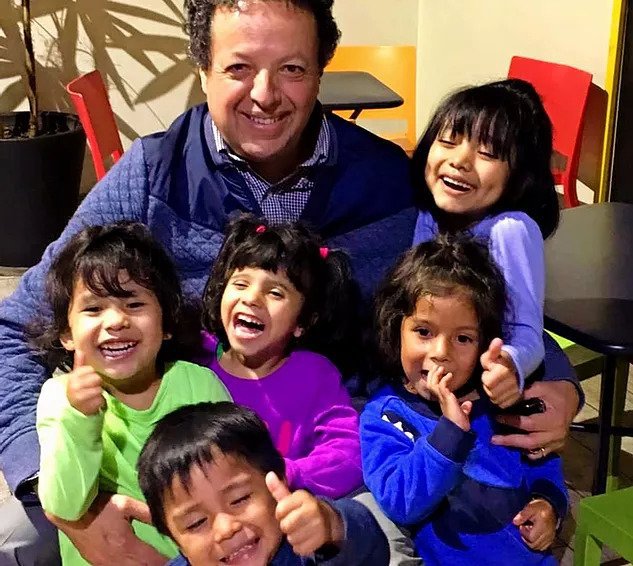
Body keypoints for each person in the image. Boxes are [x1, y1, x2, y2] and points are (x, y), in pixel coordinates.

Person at [0, 1, 577, 564]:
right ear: (202, 69)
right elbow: (12, 331)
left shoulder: (390, 183)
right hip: (182, 470)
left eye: (292, 69)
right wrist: (63, 497)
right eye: (238, 68)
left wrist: (555, 376)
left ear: (322, 69)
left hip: (348, 463)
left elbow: (474, 296)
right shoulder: (153, 176)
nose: (265, 94)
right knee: (17, 539)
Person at [360, 235, 568, 565]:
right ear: (396, 326)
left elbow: (542, 460)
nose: (440, 352)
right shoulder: (386, 415)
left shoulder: (499, 399)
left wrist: (548, 503)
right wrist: (449, 436)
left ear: (484, 343)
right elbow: (400, 502)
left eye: (462, 338)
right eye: (424, 332)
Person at [33, 222, 231, 565]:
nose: (116, 321)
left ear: (166, 323)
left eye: (134, 304)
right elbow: (64, 505)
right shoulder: (60, 398)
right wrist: (79, 419)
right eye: (93, 308)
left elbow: (231, 484)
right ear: (67, 334)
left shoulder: (200, 384)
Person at [411, 78, 582, 456]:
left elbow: (526, 331)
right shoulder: (428, 215)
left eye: (487, 153)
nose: (460, 160)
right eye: (449, 141)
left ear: (519, 174)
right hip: (437, 392)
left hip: (486, 412)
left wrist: (509, 365)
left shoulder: (510, 230)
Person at [198, 212, 362, 499]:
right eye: (240, 284)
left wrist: (286, 473)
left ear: (303, 322)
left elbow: (348, 454)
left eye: (275, 293)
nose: (251, 298)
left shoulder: (314, 375)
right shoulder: (195, 358)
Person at [137, 401, 390, 566]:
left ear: (279, 479)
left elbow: (370, 548)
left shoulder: (307, 546)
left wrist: (331, 526)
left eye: (239, 499)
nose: (226, 528)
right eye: (196, 523)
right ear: (174, 539)